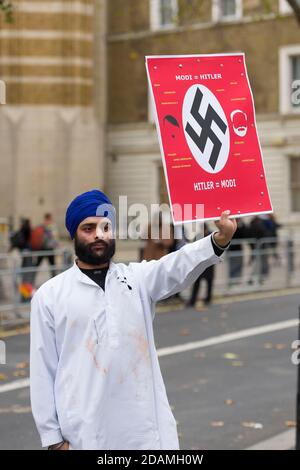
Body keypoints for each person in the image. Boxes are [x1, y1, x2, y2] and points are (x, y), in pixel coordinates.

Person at [30, 189, 237, 450]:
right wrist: (53, 439)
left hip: (143, 433)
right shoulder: (50, 295)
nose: (98, 235)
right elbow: (42, 370)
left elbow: (177, 265)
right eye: (88, 228)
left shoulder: (136, 279)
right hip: (86, 435)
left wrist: (219, 239)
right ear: (74, 234)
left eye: (106, 227)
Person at [186, 223, 215, 307]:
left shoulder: (212, 235)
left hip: (209, 262)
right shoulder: (199, 235)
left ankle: (208, 298)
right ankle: (193, 300)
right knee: (197, 282)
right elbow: (193, 247)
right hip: (200, 262)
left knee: (209, 282)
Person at [32, 213, 59, 279]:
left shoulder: (51, 226)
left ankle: (54, 280)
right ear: (47, 219)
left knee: (52, 266)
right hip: (43, 248)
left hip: (49, 249)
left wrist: (56, 244)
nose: (50, 220)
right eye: (49, 219)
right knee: (37, 265)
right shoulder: (44, 227)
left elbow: (55, 238)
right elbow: (50, 238)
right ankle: (31, 279)